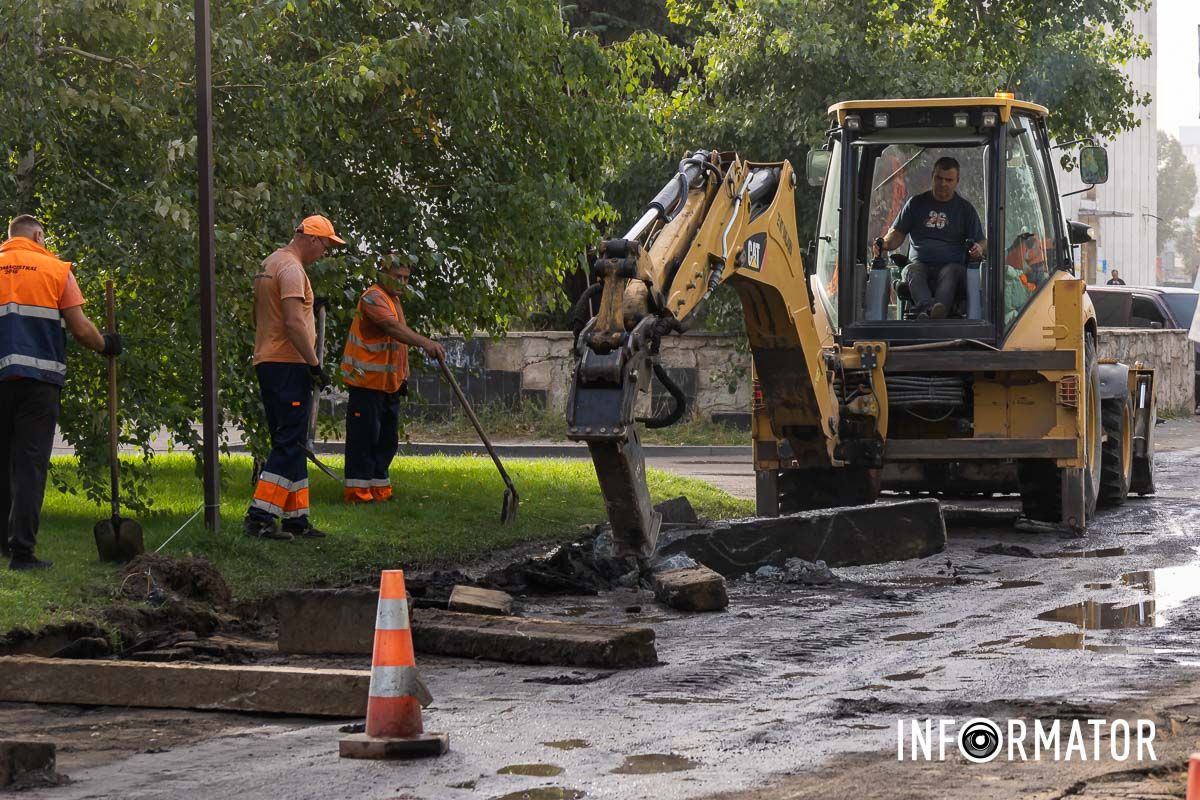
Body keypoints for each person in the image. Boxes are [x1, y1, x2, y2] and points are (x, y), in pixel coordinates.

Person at [0, 215, 120, 570]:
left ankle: (3, 547)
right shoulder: (55, 269)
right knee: (30, 466)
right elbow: (81, 328)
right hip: (38, 383)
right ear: (38, 234)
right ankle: (22, 553)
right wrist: (106, 345)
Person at [244, 215, 344, 541]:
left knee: (293, 441)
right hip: (288, 364)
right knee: (289, 442)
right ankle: (260, 518)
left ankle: (296, 519)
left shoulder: (270, 263)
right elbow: (292, 322)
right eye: (326, 245)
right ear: (312, 239)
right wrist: (314, 364)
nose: (325, 253)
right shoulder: (291, 270)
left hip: (270, 361)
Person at [340, 254, 445, 503]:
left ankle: (379, 491)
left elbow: (395, 345)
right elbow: (393, 330)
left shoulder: (393, 299)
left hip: (389, 385)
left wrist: (403, 376)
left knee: (387, 440)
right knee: (364, 440)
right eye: (397, 276)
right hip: (366, 383)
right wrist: (426, 343)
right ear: (382, 272)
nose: (402, 282)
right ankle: (357, 494)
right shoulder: (373, 297)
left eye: (406, 278)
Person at [873, 157, 987, 318]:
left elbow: (981, 241)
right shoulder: (915, 204)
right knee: (913, 269)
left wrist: (979, 248)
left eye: (949, 180)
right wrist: (883, 244)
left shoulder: (965, 209)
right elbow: (897, 235)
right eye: (939, 178)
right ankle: (931, 310)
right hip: (919, 264)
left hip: (952, 266)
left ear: (957, 181)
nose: (943, 183)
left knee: (951, 271)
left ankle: (931, 311)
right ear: (932, 176)